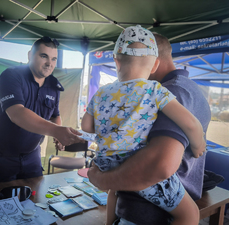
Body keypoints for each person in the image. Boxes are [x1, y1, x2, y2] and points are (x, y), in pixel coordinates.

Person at [82, 25, 206, 225]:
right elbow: (190, 123)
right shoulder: (156, 90)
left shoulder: (102, 92)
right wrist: (198, 144)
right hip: (137, 165)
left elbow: (86, 126)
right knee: (190, 214)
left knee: (115, 190)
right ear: (155, 64)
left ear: (116, 61)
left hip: (106, 162)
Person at [0, 36, 84, 184]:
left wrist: (58, 135)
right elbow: (17, 113)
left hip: (32, 156)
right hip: (1, 156)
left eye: (54, 59)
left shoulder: (53, 86)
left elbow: (55, 115)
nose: (49, 63)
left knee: (34, 200)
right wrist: (56, 131)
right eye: (44, 56)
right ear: (30, 55)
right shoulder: (11, 76)